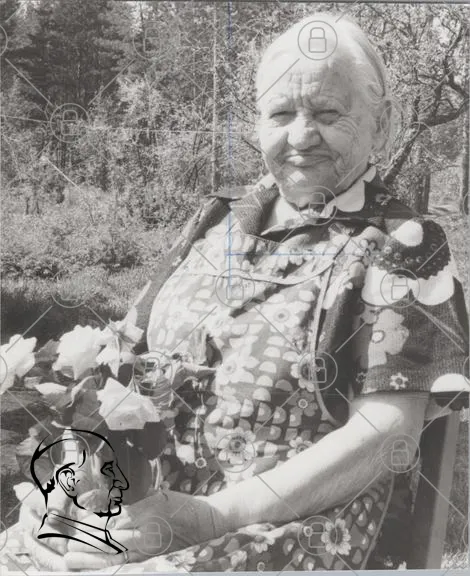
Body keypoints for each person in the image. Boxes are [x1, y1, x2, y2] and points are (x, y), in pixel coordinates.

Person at [5, 11, 469, 572]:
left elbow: (387, 434)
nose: (301, 136)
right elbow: (118, 365)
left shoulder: (403, 244)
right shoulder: (215, 221)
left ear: (383, 123)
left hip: (290, 529)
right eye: (281, 113)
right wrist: (68, 482)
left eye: (328, 113)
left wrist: (209, 517)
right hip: (148, 510)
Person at [30, 428, 129, 555]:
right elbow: (72, 466)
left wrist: (109, 495)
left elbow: (131, 488)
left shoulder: (121, 447)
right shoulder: (77, 443)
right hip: (82, 501)